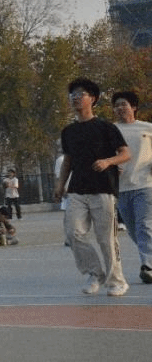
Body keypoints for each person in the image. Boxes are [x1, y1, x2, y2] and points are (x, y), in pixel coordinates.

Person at [54, 77, 130, 297]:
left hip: (104, 189)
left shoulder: (106, 128)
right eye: (73, 95)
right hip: (77, 190)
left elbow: (125, 153)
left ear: (93, 99)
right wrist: (60, 184)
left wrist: (108, 161)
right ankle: (95, 273)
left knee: (106, 239)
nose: (76, 98)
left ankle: (117, 281)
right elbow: (67, 161)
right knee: (73, 233)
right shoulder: (68, 131)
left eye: (81, 94)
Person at [111, 90, 152, 284]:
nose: (120, 108)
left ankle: (147, 265)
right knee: (134, 230)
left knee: (144, 225)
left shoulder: (147, 128)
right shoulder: (110, 130)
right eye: (117, 105)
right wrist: (111, 166)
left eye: (124, 104)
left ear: (134, 107)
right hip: (121, 187)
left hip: (145, 184)